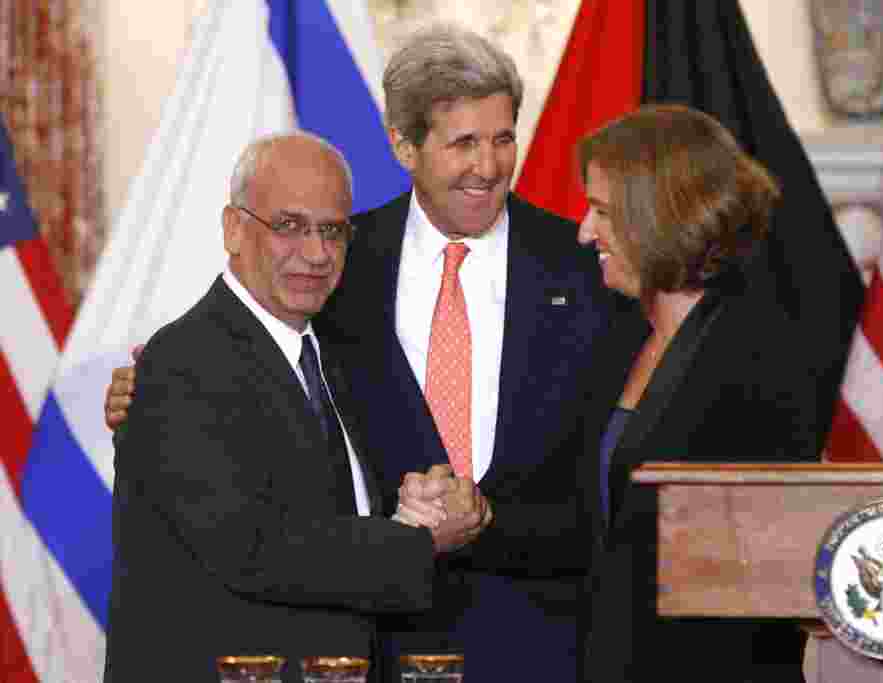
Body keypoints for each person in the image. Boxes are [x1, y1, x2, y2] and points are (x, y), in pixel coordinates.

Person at [106, 24, 617, 683]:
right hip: (361, 647)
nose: (486, 166)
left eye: (502, 138)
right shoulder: (342, 267)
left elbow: (616, 471)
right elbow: (246, 472)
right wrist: (142, 395)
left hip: (539, 645)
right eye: (463, 142)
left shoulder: (586, 269)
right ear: (404, 145)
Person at [103, 132, 487, 683]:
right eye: (289, 226)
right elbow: (255, 548)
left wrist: (414, 511)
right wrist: (417, 542)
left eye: (332, 230)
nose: (316, 253)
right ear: (234, 230)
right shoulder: (182, 362)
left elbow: (327, 513)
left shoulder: (333, 356)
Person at [575, 104, 819, 682]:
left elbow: (756, 571)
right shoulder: (618, 341)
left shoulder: (756, 352)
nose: (585, 230)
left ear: (654, 217)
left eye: (602, 211)